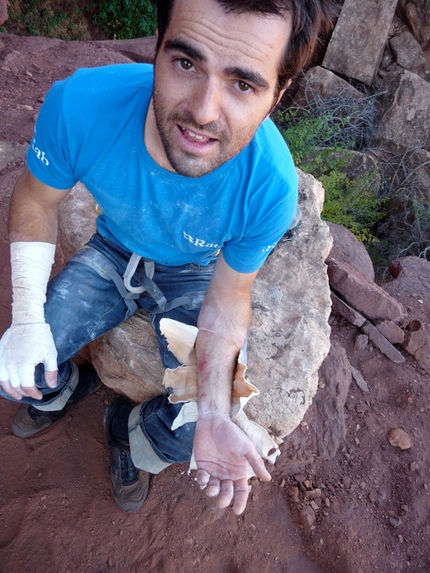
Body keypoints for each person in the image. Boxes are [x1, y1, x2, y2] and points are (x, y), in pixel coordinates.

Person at [0, 0, 334, 515]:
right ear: (156, 44)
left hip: (195, 273)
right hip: (114, 250)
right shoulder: (83, 105)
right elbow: (35, 199)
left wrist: (217, 410)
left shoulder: (269, 187)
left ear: (279, 92)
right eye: (186, 63)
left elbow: (227, 297)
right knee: (18, 375)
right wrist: (26, 318)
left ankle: (131, 434)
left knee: (199, 426)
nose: (203, 111)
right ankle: (61, 388)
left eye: (243, 84)